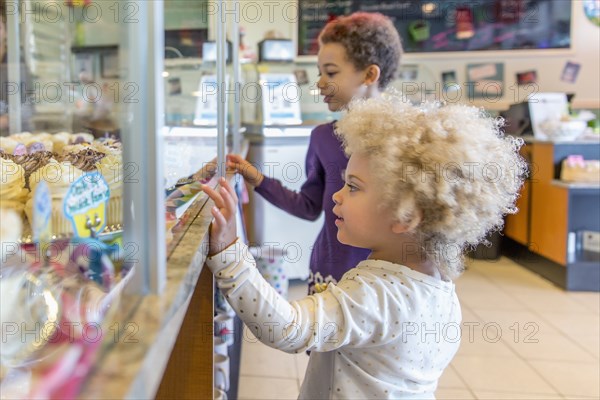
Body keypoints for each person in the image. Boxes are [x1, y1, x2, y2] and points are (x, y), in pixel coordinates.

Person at [203, 95, 527, 399]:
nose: (337, 196)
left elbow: (287, 327)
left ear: (406, 216)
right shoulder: (441, 290)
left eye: (353, 187)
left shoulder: (375, 293)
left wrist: (230, 253)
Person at [227, 12, 403, 294]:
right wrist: (256, 178)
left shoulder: (407, 140)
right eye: (319, 72)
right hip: (329, 272)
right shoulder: (323, 137)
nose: (320, 83)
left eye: (331, 72)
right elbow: (309, 208)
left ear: (370, 74)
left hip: (386, 279)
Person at [0, 6, 34, 136]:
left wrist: (5, 120)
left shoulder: (16, 62)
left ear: (6, 33)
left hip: (16, 137)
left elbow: (29, 105)